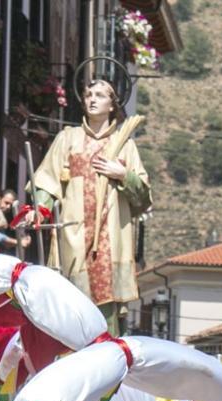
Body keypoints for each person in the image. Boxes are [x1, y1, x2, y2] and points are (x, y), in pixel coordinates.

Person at [29, 78, 151, 330]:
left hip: (110, 238)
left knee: (105, 305)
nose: (93, 99)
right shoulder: (67, 138)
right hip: (73, 233)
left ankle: (106, 350)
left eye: (100, 95)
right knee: (70, 302)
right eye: (88, 95)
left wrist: (122, 174)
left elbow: (143, 198)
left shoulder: (125, 146)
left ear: (112, 104)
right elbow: (47, 181)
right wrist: (39, 209)